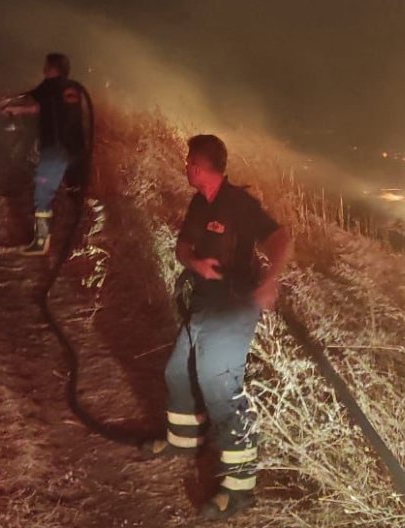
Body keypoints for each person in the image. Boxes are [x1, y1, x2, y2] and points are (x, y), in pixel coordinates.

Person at [143, 134, 293, 520]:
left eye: (189, 161)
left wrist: (271, 280)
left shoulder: (240, 205)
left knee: (219, 386)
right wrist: (196, 266)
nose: (185, 166)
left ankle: (240, 487)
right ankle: (183, 439)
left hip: (234, 306)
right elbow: (183, 249)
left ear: (200, 165)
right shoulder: (198, 203)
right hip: (204, 303)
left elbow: (280, 238)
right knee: (176, 371)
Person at [0, 53, 91, 255]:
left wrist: (11, 106)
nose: (43, 70)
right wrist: (17, 110)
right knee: (75, 193)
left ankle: (41, 242)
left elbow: (32, 102)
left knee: (42, 194)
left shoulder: (49, 86)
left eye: (46, 67)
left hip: (55, 150)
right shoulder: (73, 88)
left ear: (53, 69)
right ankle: (82, 240)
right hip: (76, 150)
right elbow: (43, 108)